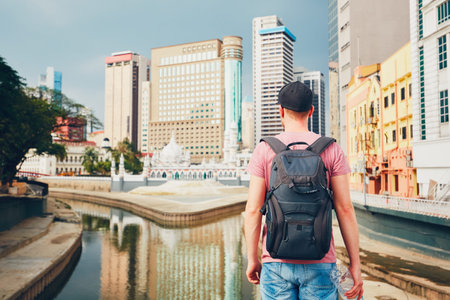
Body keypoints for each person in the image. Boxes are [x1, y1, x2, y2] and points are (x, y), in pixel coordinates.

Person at [244, 81, 363, 300]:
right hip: (320, 261)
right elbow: (345, 209)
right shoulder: (331, 149)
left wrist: (253, 258)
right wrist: (355, 264)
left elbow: (253, 210)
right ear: (311, 111)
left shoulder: (264, 149)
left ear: (281, 111)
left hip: (275, 261)